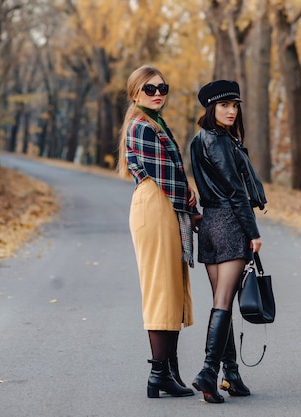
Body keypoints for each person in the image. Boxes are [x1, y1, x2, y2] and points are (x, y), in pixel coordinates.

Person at [118, 65, 201, 399]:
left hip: (163, 203)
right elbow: (164, 174)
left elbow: (171, 172)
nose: (157, 93)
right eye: (149, 89)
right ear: (135, 91)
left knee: (172, 286)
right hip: (156, 205)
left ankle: (170, 370)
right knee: (160, 290)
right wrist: (191, 206)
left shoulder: (154, 122)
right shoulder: (141, 124)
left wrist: (186, 193)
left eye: (162, 87)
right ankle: (158, 374)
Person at [189, 80, 267, 404]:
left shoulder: (200, 140)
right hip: (229, 224)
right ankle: (208, 371)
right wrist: (253, 233)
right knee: (223, 302)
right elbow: (237, 192)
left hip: (209, 224)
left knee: (223, 301)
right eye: (224, 106)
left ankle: (231, 374)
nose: (232, 111)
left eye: (235, 105)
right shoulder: (219, 140)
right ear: (211, 109)